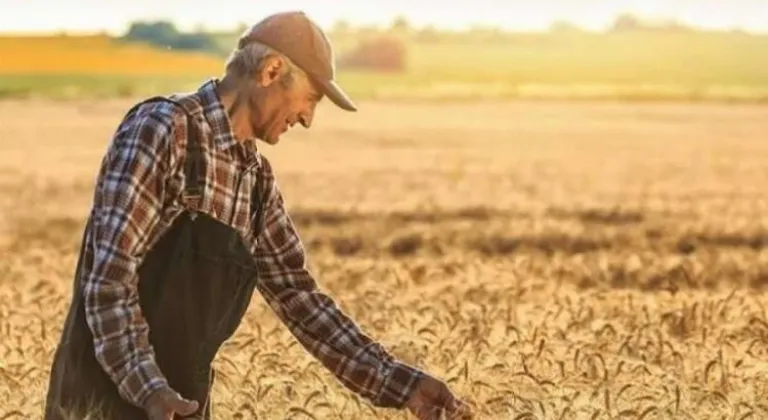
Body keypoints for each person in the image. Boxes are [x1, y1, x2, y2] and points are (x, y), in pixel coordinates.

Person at [43, 10, 472, 420]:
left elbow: (299, 298)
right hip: (99, 403)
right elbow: (108, 282)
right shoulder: (163, 130)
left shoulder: (255, 181)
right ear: (270, 71)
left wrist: (404, 385)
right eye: (311, 99)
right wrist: (149, 389)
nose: (307, 118)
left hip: (179, 406)